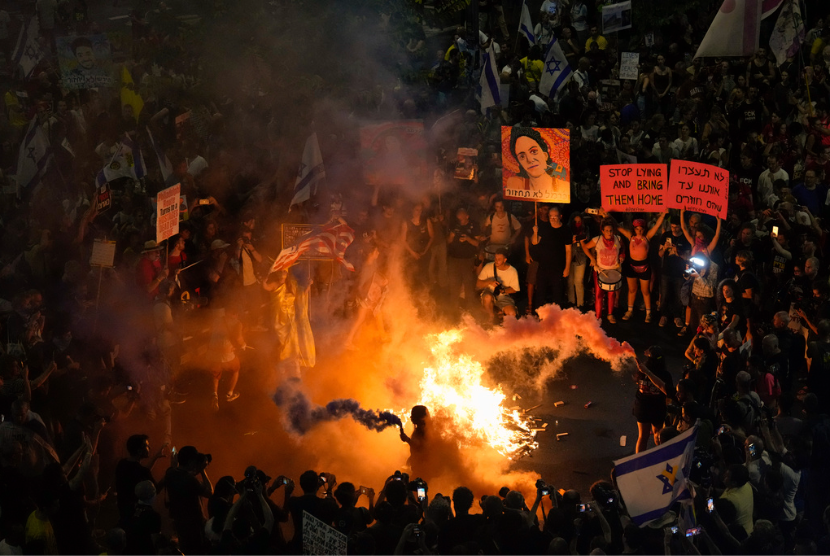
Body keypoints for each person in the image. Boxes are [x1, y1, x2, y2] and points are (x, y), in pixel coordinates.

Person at [614, 212, 667, 322]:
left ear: (644, 229)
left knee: (645, 291)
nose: (639, 231)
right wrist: (606, 216)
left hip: (644, 267)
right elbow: (618, 227)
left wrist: (663, 215)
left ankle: (648, 313)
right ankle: (629, 311)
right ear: (634, 229)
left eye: (641, 229)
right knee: (632, 289)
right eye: (637, 229)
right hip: (631, 267)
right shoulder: (630, 236)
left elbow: (657, 225)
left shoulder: (647, 237)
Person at [163, 446, 213, 555]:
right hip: (194, 525)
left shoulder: (171, 473)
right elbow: (209, 492)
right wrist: (203, 470)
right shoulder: (190, 480)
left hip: (179, 522)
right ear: (190, 462)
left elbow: (179, 472)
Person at [505, 128, 569, 202]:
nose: (530, 160)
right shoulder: (516, 184)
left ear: (545, 155)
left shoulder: (564, 187)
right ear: (519, 163)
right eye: (522, 156)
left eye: (533, 151)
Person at [115, 435, 166, 525]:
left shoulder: (122, 463)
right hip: (137, 513)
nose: (149, 448)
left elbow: (141, 473)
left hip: (122, 508)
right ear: (139, 451)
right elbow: (155, 490)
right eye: (146, 446)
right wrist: (169, 474)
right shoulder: (141, 470)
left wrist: (155, 457)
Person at [632, 347, 674, 453]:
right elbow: (668, 392)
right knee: (658, 435)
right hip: (657, 408)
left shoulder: (641, 371)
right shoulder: (665, 374)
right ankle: (659, 459)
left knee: (642, 437)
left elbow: (637, 382)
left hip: (642, 407)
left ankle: (639, 463)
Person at [581, 218, 623, 323]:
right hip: (600, 271)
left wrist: (622, 256)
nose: (609, 233)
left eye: (611, 230)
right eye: (607, 231)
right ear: (602, 231)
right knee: (599, 295)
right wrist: (592, 258)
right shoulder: (597, 240)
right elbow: (585, 247)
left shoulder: (618, 239)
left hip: (613, 270)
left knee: (611, 294)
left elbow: (624, 249)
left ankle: (610, 314)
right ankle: (598, 317)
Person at [446, 208, 482, 311]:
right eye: (458, 215)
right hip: (454, 259)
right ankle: (454, 309)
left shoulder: (474, 225)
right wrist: (451, 236)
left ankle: (470, 309)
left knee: (468, 284)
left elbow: (477, 243)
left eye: (462, 215)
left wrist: (467, 238)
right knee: (454, 284)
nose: (460, 217)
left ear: (467, 216)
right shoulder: (454, 225)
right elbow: (447, 242)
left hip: (468, 260)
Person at [476, 248, 519, 323]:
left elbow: (515, 289)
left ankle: (506, 324)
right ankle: (490, 316)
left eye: (499, 259)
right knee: (487, 297)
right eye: (495, 258)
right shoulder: (489, 266)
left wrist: (504, 290)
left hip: (503, 296)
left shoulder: (512, 271)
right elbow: (478, 284)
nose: (496, 261)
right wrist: (489, 282)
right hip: (489, 293)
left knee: (512, 314)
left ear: (505, 260)